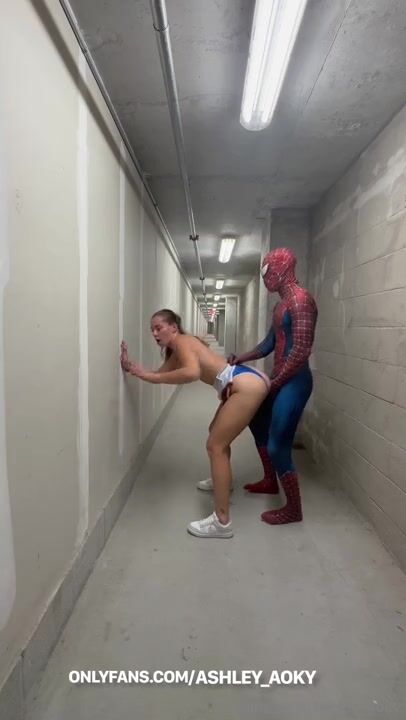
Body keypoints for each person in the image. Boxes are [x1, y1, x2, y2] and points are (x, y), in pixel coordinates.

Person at [120, 309, 271, 539]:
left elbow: (192, 372)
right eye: (152, 330)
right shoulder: (177, 348)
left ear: (173, 327)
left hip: (244, 384)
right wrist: (133, 368)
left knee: (215, 446)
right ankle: (223, 482)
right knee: (215, 434)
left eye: (159, 328)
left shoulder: (183, 341)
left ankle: (221, 522)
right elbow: (157, 375)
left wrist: (150, 376)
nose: (154, 333)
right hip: (240, 380)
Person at [198, 247, 318, 525]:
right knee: (257, 422)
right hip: (279, 380)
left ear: (282, 270)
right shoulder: (281, 305)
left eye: (267, 271)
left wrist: (276, 383)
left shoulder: (301, 301)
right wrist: (242, 357)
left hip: (294, 383)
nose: (265, 278)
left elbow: (301, 350)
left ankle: (294, 509)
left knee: (278, 445)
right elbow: (269, 344)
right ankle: (269, 480)